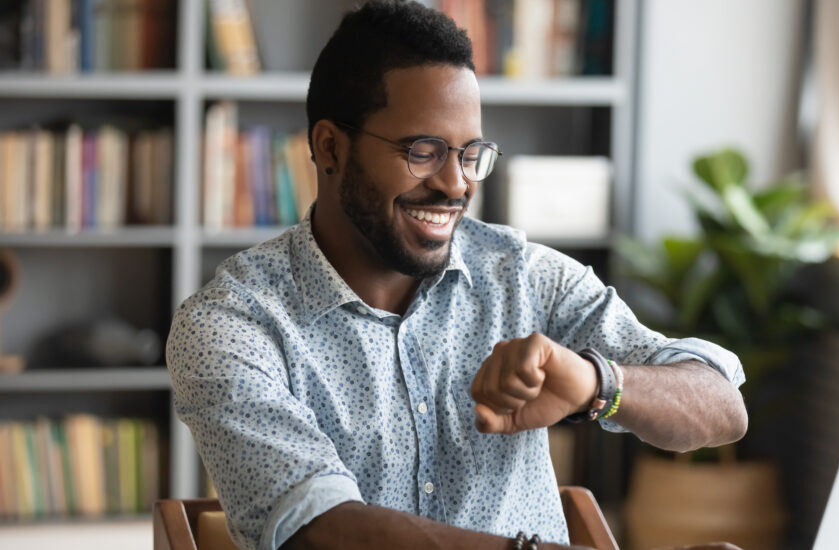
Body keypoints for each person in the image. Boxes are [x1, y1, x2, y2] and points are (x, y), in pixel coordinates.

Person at [166, 2, 748, 549]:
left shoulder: (522, 276)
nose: (457, 184)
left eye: (470, 153)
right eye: (423, 151)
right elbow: (317, 527)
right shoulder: (229, 325)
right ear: (329, 147)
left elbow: (723, 407)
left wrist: (598, 382)